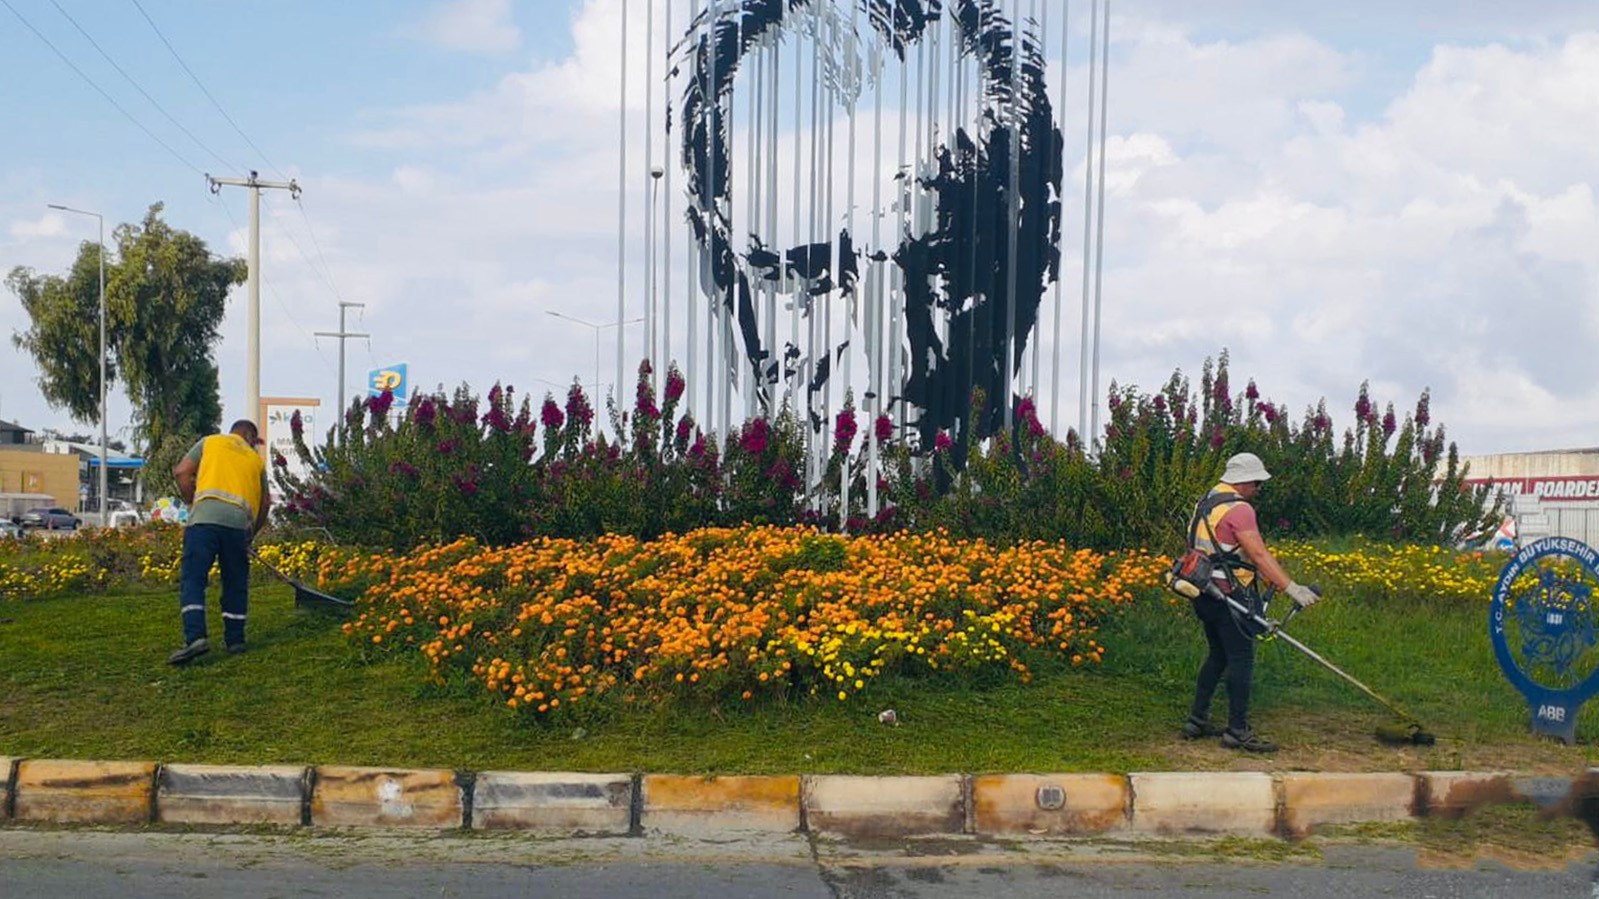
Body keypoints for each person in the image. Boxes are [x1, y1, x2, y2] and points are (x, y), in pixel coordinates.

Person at [1180, 452, 1319, 753]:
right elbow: (1258, 554)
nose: (1258, 489)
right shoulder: (1240, 509)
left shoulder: (1207, 501)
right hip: (1230, 596)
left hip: (1203, 590)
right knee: (1241, 659)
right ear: (1243, 482)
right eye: (1257, 483)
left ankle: (1197, 719)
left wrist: (1266, 576)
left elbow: (1219, 547)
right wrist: (1291, 587)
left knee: (1218, 655)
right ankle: (1237, 730)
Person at [167, 420, 270, 665]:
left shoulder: (210, 442)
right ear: (251, 438)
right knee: (235, 582)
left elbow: (182, 472)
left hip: (204, 520)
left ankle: (195, 637)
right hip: (237, 526)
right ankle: (235, 640)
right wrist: (250, 534)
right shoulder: (257, 462)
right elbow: (265, 503)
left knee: (194, 578)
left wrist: (192, 501)